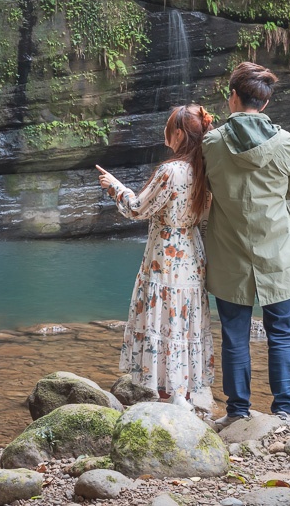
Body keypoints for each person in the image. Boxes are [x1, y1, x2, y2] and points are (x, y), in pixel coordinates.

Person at [96, 104, 215, 410]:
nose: (165, 133)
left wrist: (114, 187)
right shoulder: (207, 169)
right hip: (192, 253)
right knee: (184, 321)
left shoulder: (169, 171)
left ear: (178, 133)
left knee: (163, 319)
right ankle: (184, 394)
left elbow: (137, 208)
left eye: (168, 128)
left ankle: (164, 393)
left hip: (166, 256)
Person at [201, 62, 290, 424]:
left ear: (232, 97)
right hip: (277, 250)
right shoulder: (285, 141)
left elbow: (207, 191)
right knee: (283, 333)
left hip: (229, 252)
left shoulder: (211, 142)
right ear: (265, 102)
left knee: (234, 336)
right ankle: (287, 411)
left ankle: (238, 411)